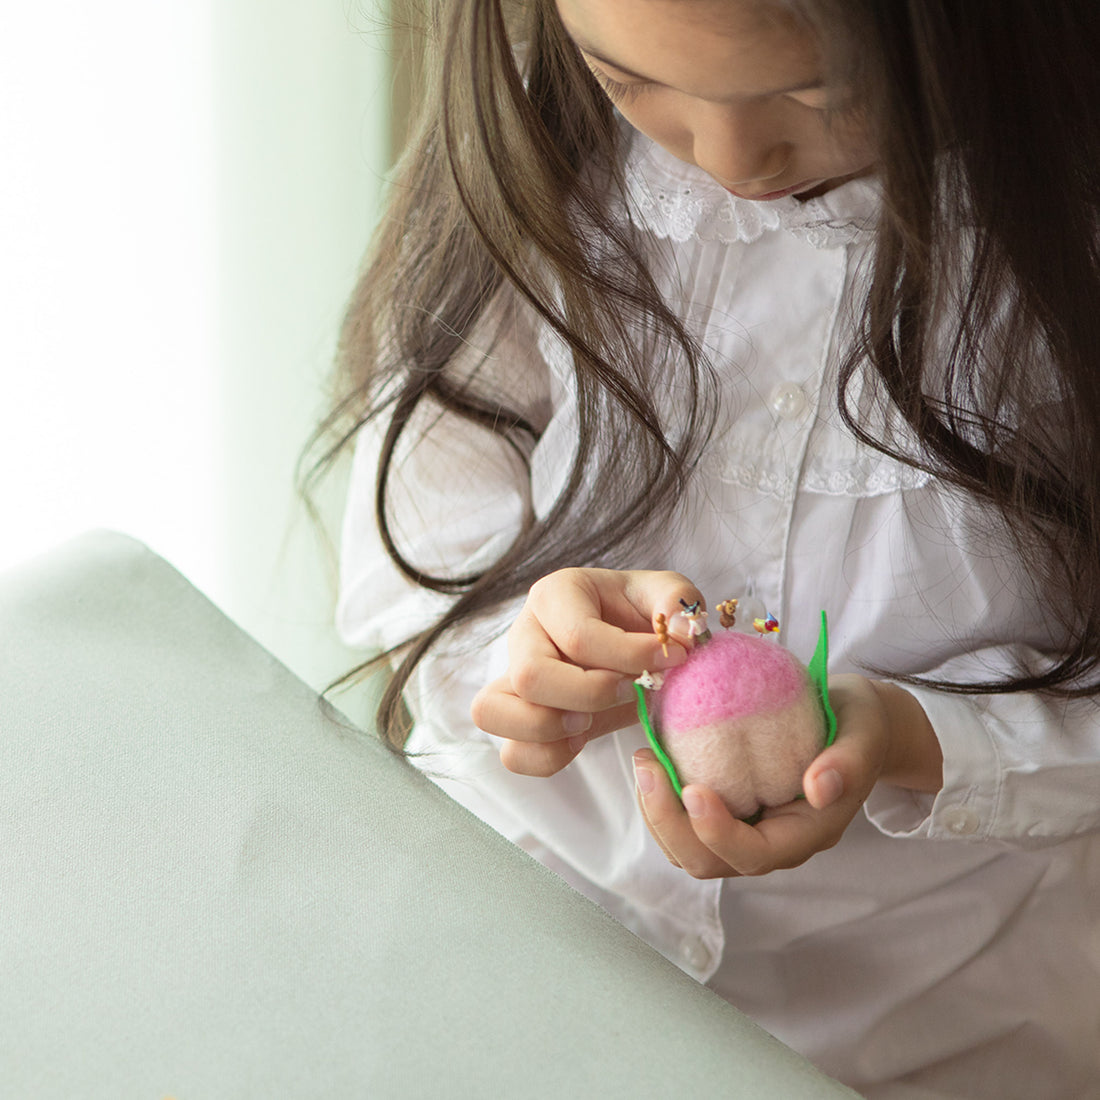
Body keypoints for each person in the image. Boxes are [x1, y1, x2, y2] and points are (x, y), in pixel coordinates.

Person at [319, 0, 1100, 1094]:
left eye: (816, 94)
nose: (731, 157)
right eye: (627, 78)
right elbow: (416, 537)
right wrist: (518, 653)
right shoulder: (545, 159)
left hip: (932, 1028)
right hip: (510, 949)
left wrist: (913, 737)